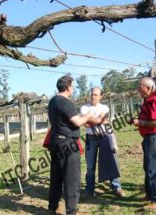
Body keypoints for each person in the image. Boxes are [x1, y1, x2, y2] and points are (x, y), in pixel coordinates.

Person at [48, 75, 94, 215]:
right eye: (72, 86)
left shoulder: (52, 101)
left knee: (56, 176)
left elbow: (66, 120)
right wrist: (88, 115)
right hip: (67, 143)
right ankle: (72, 211)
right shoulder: (65, 101)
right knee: (71, 178)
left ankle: (52, 206)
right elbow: (77, 122)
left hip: (55, 141)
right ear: (68, 87)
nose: (73, 88)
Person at [80, 87, 125, 198]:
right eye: (92, 94)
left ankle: (116, 187)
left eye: (95, 95)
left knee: (111, 161)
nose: (93, 97)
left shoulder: (104, 107)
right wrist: (98, 120)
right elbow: (86, 124)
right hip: (91, 138)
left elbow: (105, 122)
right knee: (90, 166)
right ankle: (89, 190)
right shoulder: (84, 108)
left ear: (101, 96)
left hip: (105, 137)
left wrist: (113, 141)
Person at [132, 77, 156, 210]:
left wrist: (140, 122)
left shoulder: (154, 101)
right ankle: (150, 194)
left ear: (147, 88)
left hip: (154, 138)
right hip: (150, 137)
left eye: (139, 87)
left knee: (154, 169)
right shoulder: (149, 101)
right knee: (148, 167)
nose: (138, 90)